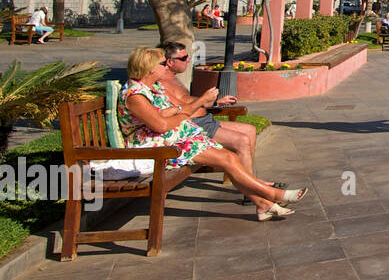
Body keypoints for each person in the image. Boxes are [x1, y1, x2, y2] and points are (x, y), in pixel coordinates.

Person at [119, 47, 306, 219]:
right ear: (150, 68)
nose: (165, 67)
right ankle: (272, 195)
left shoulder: (153, 88)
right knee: (228, 159)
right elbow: (161, 125)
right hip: (156, 147)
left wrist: (176, 113)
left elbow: (166, 112)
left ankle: (263, 204)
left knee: (230, 159)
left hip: (176, 137)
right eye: (162, 63)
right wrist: (182, 114)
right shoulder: (135, 95)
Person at [157, 42, 266, 188]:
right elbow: (180, 109)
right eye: (183, 58)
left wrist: (215, 102)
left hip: (205, 120)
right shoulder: (163, 82)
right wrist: (204, 99)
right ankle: (253, 188)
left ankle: (250, 181)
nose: (188, 60)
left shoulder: (173, 77)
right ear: (170, 62)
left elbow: (188, 102)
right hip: (195, 125)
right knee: (242, 140)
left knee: (250, 130)